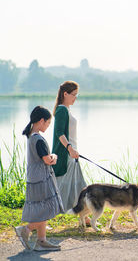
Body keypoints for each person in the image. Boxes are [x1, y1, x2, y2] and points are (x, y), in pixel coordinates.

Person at [15, 106, 64, 251]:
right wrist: (55, 156)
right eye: (48, 123)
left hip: (33, 178)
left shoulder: (31, 135)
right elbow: (48, 160)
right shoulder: (38, 139)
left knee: (42, 209)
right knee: (47, 208)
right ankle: (26, 230)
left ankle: (41, 241)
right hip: (41, 180)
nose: (48, 126)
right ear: (42, 121)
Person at [52, 81, 89, 222]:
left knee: (78, 185)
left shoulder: (66, 110)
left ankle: (83, 215)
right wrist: (70, 149)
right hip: (66, 155)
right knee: (66, 187)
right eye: (74, 94)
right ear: (65, 94)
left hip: (72, 154)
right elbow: (59, 133)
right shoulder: (61, 110)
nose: (75, 98)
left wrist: (73, 150)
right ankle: (41, 219)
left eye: (76, 95)